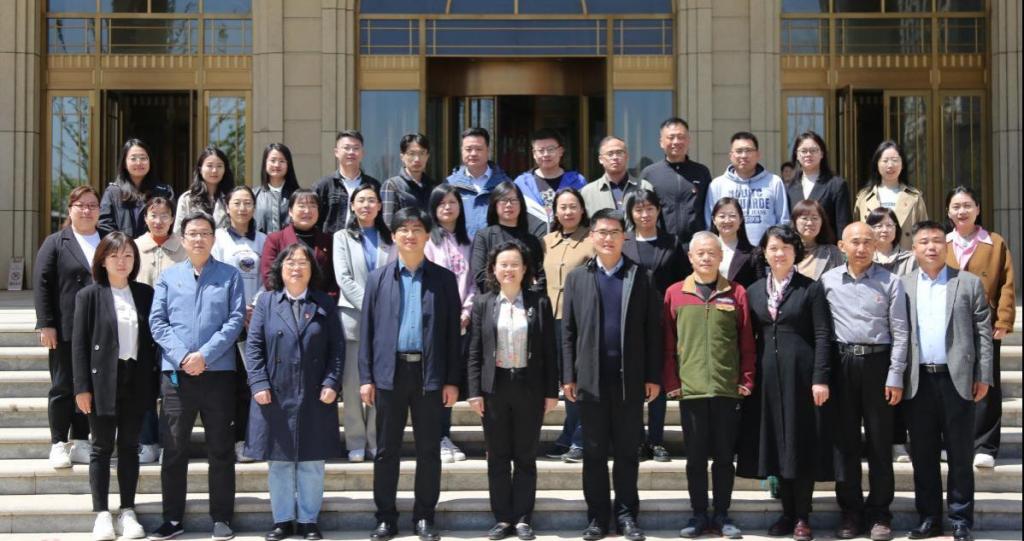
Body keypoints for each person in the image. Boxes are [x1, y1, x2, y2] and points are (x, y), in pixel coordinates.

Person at [359, 207, 463, 541]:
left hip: (429, 374)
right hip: (389, 373)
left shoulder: (443, 279)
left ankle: (424, 517)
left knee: (429, 450)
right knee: (386, 451)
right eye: (403, 229)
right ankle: (385, 518)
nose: (410, 235)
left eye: (417, 228)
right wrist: (366, 377)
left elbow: (452, 335)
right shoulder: (378, 279)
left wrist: (452, 380)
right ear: (393, 236)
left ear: (427, 235)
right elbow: (367, 331)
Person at [562, 209, 662, 541]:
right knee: (593, 454)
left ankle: (627, 516)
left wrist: (652, 375)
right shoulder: (577, 278)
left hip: (628, 380)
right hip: (590, 381)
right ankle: (597, 518)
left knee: (627, 453)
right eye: (602, 232)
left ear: (624, 237)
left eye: (614, 232)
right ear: (592, 236)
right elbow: (568, 332)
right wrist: (568, 375)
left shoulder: (641, 276)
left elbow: (653, 331)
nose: (608, 238)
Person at [148, 211, 246, 541]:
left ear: (214, 238)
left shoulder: (230, 276)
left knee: (221, 449)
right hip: (177, 376)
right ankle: (172, 519)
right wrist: (182, 356)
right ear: (183, 239)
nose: (199, 239)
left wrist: (205, 355)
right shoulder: (168, 277)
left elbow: (234, 321)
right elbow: (157, 322)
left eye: (205, 233)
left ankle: (222, 518)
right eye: (193, 233)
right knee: (174, 449)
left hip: (218, 374)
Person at [740, 225, 834, 541]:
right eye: (773, 248)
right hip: (767, 378)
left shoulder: (811, 288)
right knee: (775, 446)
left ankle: (803, 516)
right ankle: (786, 512)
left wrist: (821, 378)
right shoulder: (754, 291)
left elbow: (823, 335)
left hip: (802, 376)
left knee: (800, 443)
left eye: (785, 248)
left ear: (796, 252)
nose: (779, 253)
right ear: (764, 253)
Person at [245, 243, 344, 541]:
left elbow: (337, 348)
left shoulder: (324, 303)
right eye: (290, 262)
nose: (296, 268)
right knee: (279, 460)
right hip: (276, 390)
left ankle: (308, 520)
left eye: (303, 262)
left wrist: (332, 382)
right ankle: (283, 520)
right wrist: (258, 383)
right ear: (280, 269)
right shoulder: (266, 302)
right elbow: (254, 347)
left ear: (312, 269)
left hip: (314, 391)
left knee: (312, 460)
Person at [902, 220, 993, 541]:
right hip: (918, 381)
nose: (931, 247)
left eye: (937, 240)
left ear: (947, 245)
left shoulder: (967, 283)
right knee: (923, 455)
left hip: (957, 380)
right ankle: (929, 518)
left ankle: (960, 519)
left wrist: (983, 375)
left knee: (960, 454)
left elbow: (983, 333)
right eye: (924, 241)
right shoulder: (903, 285)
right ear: (913, 248)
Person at [662, 231, 756, 540]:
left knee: (724, 458)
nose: (706, 258)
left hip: (726, 388)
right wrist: (672, 381)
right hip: (691, 389)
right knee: (696, 458)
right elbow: (667, 343)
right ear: (690, 257)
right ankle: (699, 514)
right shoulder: (675, 293)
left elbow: (746, 342)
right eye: (700, 253)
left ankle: (723, 514)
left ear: (721, 257)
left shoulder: (737, 292)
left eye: (712, 253)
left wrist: (746, 379)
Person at [820, 222, 909, 541]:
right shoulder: (827, 281)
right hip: (842, 365)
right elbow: (821, 331)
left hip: (878, 365)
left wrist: (895, 375)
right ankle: (850, 512)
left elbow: (901, 332)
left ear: (876, 245)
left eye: (867, 242)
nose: (861, 248)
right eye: (855, 242)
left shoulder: (891, 281)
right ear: (842, 246)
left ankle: (880, 513)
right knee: (844, 443)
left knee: (880, 443)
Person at [467, 240, 559, 541]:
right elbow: (475, 350)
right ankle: (502, 518)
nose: (509, 270)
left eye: (515, 264)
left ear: (525, 269)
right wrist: (474, 391)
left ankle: (522, 518)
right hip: (494, 387)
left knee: (525, 455)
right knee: (497, 455)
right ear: (493, 269)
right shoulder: (484, 303)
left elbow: (549, 351)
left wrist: (551, 392)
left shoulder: (538, 302)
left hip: (529, 387)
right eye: (503, 264)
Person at [71, 232, 157, 540]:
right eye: (114, 256)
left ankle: (128, 510)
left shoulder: (145, 293)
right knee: (101, 447)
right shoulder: (89, 295)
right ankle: (102, 513)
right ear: (103, 260)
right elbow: (79, 345)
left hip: (136, 378)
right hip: (102, 380)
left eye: (128, 256)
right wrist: (81, 387)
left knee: (130, 447)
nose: (122, 262)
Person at [944, 185, 1017, 469]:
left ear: (978, 209)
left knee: (987, 381)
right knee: (951, 383)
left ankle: (985, 445)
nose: (961, 211)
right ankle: (953, 441)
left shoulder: (995, 242)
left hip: (985, 322)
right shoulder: (942, 243)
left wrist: (1004, 319)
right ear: (948, 212)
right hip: (950, 324)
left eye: (967, 205)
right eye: (956, 206)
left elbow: (1007, 283)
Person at [34, 185, 105, 469]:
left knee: (89, 384)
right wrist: (46, 324)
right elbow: (41, 283)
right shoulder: (56, 242)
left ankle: (82, 440)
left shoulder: (108, 240)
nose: (87, 210)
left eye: (92, 205)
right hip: (66, 327)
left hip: (100, 327)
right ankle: (58, 443)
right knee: (63, 386)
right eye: (81, 205)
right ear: (70, 210)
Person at [622, 189, 689, 462]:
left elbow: (684, 280)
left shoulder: (672, 242)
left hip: (663, 322)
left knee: (658, 381)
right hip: (631, 322)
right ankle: (638, 439)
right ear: (630, 214)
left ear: (658, 211)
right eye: (638, 210)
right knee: (634, 381)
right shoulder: (623, 242)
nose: (644, 214)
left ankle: (657, 440)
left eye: (649, 208)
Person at [333, 183, 395, 463]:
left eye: (372, 200)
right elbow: (344, 278)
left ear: (380, 207)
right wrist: (370, 306)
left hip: (385, 320)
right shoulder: (342, 237)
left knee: (380, 383)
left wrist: (381, 309)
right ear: (352, 206)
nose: (366, 205)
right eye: (361, 200)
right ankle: (356, 441)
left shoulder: (390, 238)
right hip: (354, 319)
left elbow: (395, 276)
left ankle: (375, 439)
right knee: (352, 384)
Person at [212, 186, 268, 462]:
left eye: (248, 203)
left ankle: (251, 439)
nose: (243, 208)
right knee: (229, 383)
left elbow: (269, 276)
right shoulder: (218, 238)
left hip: (257, 319)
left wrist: (255, 305)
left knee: (252, 382)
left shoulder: (264, 239)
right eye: (237, 203)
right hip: (227, 320)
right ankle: (232, 440)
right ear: (227, 207)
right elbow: (215, 276)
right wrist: (238, 307)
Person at [424, 184, 476, 464]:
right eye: (441, 203)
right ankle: (439, 435)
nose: (447, 207)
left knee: (454, 381)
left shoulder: (470, 241)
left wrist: (466, 311)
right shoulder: (427, 242)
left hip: (464, 322)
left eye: (452, 202)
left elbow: (474, 282)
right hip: (436, 323)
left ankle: (445, 434)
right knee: (438, 380)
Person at [541, 188, 594, 463]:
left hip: (581, 319)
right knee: (566, 380)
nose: (568, 212)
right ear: (555, 211)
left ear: (582, 209)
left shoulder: (592, 239)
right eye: (562, 207)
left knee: (579, 379)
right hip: (551, 319)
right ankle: (568, 435)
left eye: (573, 206)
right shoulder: (546, 241)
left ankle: (579, 439)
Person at [134, 196, 187, 464]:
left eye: (165, 215)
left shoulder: (183, 249)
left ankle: (169, 442)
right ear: (145, 218)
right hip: (140, 327)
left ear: (173, 218)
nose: (159, 220)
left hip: (174, 329)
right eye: (153, 215)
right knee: (143, 386)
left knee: (171, 388)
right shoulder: (134, 247)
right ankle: (147, 441)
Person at [705, 131, 790, 245]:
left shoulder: (774, 182)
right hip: (729, 251)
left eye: (749, 151)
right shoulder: (717, 185)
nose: (744, 155)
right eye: (739, 151)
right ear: (731, 155)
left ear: (758, 154)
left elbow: (783, 221)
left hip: (765, 251)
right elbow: (710, 223)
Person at [639, 117, 712, 243]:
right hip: (661, 245)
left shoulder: (701, 172)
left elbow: (709, 209)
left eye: (681, 137)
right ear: (661, 142)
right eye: (671, 137)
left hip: (695, 245)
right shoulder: (650, 174)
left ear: (688, 140)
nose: (676, 141)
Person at [470, 182, 546, 294]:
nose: (509, 205)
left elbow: (541, 277)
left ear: (521, 204)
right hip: (494, 299)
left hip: (527, 301)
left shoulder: (532, 240)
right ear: (495, 204)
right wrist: (508, 294)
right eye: (504, 200)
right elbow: (480, 275)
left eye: (514, 200)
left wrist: (523, 296)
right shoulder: (484, 236)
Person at [260, 189, 338, 298]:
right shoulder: (275, 239)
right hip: (284, 303)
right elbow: (269, 276)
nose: (307, 210)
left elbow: (335, 277)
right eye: (301, 206)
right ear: (290, 211)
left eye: (312, 206)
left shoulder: (328, 240)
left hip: (321, 304)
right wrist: (286, 300)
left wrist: (326, 301)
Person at [853, 140, 927, 250]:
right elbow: (856, 232)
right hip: (872, 256)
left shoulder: (914, 197)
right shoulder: (863, 198)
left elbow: (924, 232)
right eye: (885, 161)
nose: (890, 165)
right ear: (877, 164)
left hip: (905, 256)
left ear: (902, 164)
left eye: (895, 160)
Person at [513, 128, 587, 234]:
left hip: (571, 240)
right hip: (531, 242)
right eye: (541, 150)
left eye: (551, 149)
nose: (546, 154)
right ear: (534, 154)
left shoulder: (578, 181)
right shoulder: (522, 183)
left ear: (561, 151)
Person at [99, 138, 174, 237]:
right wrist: (121, 243)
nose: (139, 163)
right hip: (122, 246)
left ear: (150, 162)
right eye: (133, 158)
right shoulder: (113, 192)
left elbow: (173, 223)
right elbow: (105, 224)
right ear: (124, 163)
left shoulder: (164, 191)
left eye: (143, 158)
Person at [447, 127, 513, 239]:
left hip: (495, 246)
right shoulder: (450, 184)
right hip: (460, 247)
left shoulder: (505, 184)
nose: (473, 153)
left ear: (488, 151)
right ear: (461, 151)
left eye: (479, 149)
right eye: (468, 149)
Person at [313, 129, 381, 235]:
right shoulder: (323, 185)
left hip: (365, 240)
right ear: (336, 152)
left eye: (356, 148)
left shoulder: (373, 185)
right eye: (346, 148)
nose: (351, 152)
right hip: (331, 243)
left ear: (362, 153)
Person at [784, 132, 852, 235]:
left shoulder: (836, 185)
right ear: (796, 155)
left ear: (822, 154)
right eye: (803, 151)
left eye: (813, 150)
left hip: (826, 244)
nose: (808, 154)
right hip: (797, 244)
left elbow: (843, 224)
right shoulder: (790, 186)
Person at [581, 136, 653, 217]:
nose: (615, 157)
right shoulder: (588, 192)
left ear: (627, 157)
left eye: (619, 153)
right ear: (600, 159)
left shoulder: (644, 187)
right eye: (610, 154)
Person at [381, 133, 437, 226]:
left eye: (422, 153)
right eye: (411, 154)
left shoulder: (433, 187)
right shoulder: (392, 185)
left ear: (427, 156)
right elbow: (388, 223)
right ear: (402, 157)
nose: (417, 159)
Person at [175, 146, 233, 233]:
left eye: (219, 166)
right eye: (209, 166)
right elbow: (179, 233)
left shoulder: (232, 198)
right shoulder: (187, 199)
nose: (214, 170)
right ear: (200, 169)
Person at [709, 197, 759, 288]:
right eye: (722, 216)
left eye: (732, 216)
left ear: (741, 219)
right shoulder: (703, 249)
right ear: (714, 220)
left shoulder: (753, 253)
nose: (727, 220)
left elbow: (758, 287)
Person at [791, 199, 845, 280]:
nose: (810, 223)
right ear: (795, 221)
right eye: (804, 218)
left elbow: (840, 282)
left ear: (822, 222)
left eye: (815, 218)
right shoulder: (786, 250)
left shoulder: (832, 252)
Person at [254, 143, 300, 235]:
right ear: (265, 163)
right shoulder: (254, 194)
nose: (277, 165)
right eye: (273, 160)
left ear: (288, 164)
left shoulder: (297, 195)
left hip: (291, 243)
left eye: (282, 161)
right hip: (262, 243)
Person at [867, 207, 916, 277]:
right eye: (879, 226)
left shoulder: (910, 259)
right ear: (869, 229)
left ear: (896, 228)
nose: (885, 230)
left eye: (889, 225)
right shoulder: (864, 258)